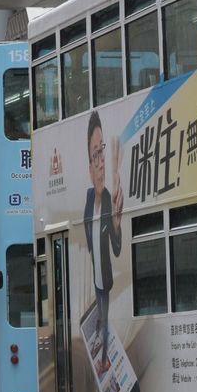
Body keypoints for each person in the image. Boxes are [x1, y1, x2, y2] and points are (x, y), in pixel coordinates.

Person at [83, 111, 123, 372]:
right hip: (96, 279)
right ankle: (100, 347)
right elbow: (87, 235)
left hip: (105, 279)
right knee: (98, 315)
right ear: (89, 166)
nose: (100, 163)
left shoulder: (111, 199)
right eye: (94, 155)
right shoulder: (88, 200)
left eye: (102, 153)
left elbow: (117, 248)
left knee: (105, 318)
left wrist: (117, 223)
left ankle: (105, 361)